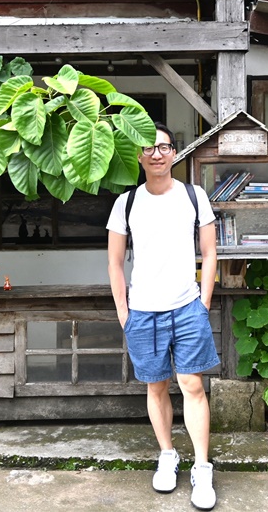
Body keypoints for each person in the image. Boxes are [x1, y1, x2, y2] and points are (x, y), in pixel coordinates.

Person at [107, 123, 219, 510]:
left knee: (192, 385)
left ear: (175, 153)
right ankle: (168, 455)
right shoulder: (126, 203)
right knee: (155, 387)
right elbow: (115, 262)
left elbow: (209, 253)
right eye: (149, 148)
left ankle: (202, 467)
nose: (157, 154)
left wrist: (203, 303)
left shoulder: (194, 195)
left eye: (164, 147)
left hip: (188, 307)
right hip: (143, 311)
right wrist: (124, 311)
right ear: (138, 156)